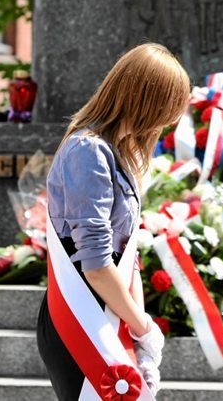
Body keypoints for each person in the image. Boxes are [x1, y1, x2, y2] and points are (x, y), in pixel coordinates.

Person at [36, 43, 191, 400]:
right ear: (146, 100)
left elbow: (126, 255)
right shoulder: (87, 152)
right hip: (83, 314)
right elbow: (96, 263)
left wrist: (139, 331)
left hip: (112, 308)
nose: (172, 121)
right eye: (169, 107)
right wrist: (144, 327)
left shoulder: (118, 154)